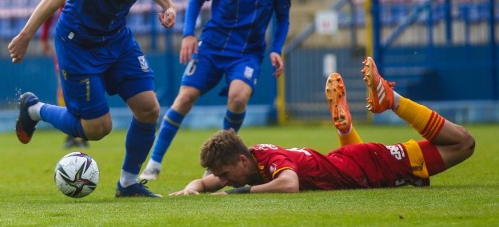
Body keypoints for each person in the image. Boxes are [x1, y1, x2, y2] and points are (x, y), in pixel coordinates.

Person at [9, 0, 177, 198]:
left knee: (149, 109)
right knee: (98, 128)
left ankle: (128, 183)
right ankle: (34, 109)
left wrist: (167, 3)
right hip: (79, 45)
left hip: (116, 39)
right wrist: (26, 35)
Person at [171, 57, 475, 194]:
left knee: (464, 144)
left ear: (241, 160)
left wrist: (240, 193)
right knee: (349, 166)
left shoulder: (270, 161)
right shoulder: (249, 161)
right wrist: (192, 188)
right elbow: (213, 181)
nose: (224, 180)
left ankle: (391, 100)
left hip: (377, 165)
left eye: (225, 174)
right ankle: (345, 131)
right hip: (350, 162)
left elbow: (289, 185)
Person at [140, 0, 291, 181]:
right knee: (184, 98)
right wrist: (188, 34)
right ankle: (154, 162)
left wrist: (277, 47)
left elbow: (283, 17)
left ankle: (221, 165)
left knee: (238, 97)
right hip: (211, 47)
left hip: (246, 53)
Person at [39, 0, 89, 149]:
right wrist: (43, 37)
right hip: (66, 39)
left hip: (90, 38)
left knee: (89, 83)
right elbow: (49, 6)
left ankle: (85, 128)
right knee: (64, 83)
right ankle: (71, 130)